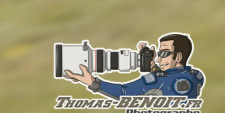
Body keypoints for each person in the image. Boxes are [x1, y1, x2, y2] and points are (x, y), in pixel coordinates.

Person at [65, 34, 205, 98]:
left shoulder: (157, 81)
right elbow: (170, 80)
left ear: (178, 57)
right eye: (158, 53)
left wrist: (93, 82)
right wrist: (153, 67)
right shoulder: (197, 76)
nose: (158, 58)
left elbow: (123, 93)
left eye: (163, 54)